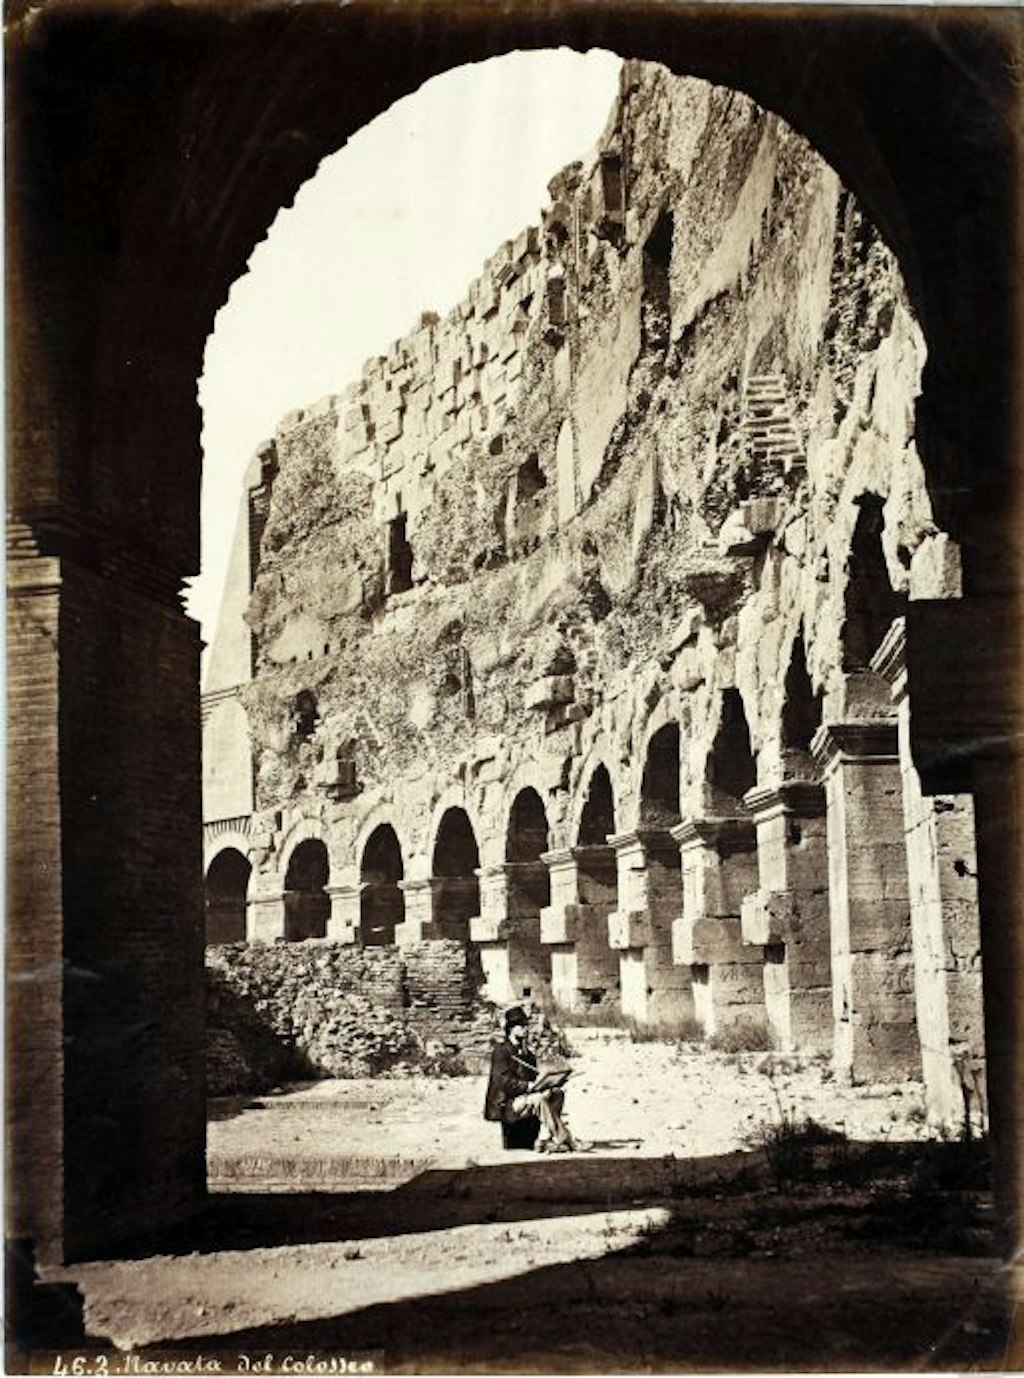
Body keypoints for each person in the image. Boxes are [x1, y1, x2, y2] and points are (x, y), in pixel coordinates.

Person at [483, 1005, 577, 1152]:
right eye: (521, 1026)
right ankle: (565, 1139)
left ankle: (548, 1139)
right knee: (538, 1100)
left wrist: (550, 1083)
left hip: (523, 1099)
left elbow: (534, 1079)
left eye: (526, 1025)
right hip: (506, 1104)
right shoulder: (501, 1052)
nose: (526, 1029)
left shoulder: (527, 1054)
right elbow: (503, 1082)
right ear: (511, 1028)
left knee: (557, 1094)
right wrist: (528, 1086)